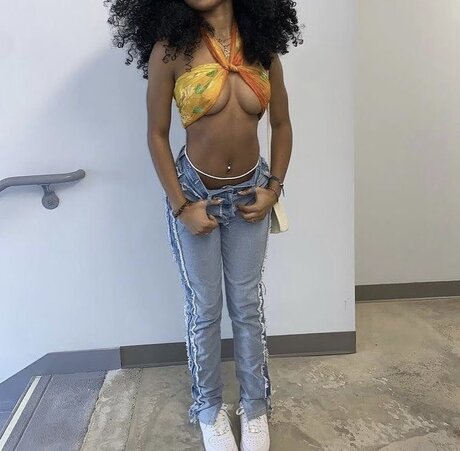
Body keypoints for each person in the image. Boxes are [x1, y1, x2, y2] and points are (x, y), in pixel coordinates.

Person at [105, 0, 303, 449]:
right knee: (205, 308)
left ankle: (255, 407)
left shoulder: (263, 47)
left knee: (247, 306)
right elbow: (156, 134)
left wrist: (274, 188)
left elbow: (282, 123)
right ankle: (209, 408)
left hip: (251, 192)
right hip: (195, 194)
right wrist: (181, 206)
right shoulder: (169, 51)